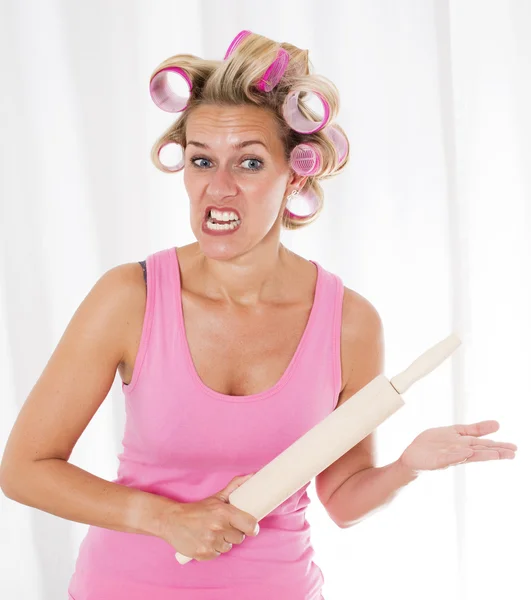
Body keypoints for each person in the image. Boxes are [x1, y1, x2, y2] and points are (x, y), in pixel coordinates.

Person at [0, 31, 517, 600]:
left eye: (248, 163)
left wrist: (407, 465)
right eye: (202, 161)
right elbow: (25, 467)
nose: (218, 190)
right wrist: (166, 518)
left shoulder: (349, 322)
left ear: (296, 173)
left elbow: (343, 498)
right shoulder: (132, 297)